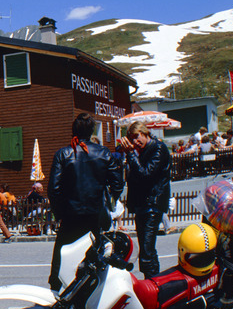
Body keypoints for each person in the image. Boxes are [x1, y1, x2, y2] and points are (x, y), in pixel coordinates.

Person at [48, 113, 124, 289]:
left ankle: (57, 286)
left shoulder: (63, 154)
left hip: (71, 214)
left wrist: (60, 212)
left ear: (73, 130)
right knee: (93, 253)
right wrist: (108, 203)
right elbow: (117, 184)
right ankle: (91, 287)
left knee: (62, 252)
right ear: (91, 132)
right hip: (94, 213)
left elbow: (54, 189)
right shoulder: (103, 152)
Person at [119, 121, 171, 278]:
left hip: (153, 204)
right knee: (146, 250)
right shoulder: (140, 152)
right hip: (143, 204)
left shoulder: (158, 148)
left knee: (147, 251)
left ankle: (153, 282)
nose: (135, 141)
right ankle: (154, 280)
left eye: (137, 137)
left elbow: (146, 174)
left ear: (145, 133)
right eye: (132, 139)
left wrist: (131, 155)